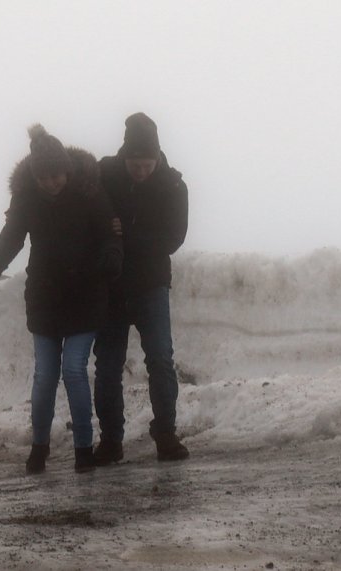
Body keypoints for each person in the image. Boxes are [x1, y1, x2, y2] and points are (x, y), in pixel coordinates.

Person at [0, 124, 122, 474]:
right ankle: (39, 447)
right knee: (44, 375)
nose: (52, 182)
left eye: (57, 175)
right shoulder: (27, 199)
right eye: (44, 177)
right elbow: (11, 239)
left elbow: (109, 232)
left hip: (85, 296)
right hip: (45, 298)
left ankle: (83, 448)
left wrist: (112, 255)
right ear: (35, 177)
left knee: (74, 370)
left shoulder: (88, 192)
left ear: (67, 171)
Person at [93, 112, 190, 464]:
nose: (141, 171)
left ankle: (165, 435)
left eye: (147, 164)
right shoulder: (104, 176)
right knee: (107, 365)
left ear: (157, 157)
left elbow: (172, 239)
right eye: (135, 164)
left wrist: (124, 235)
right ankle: (110, 442)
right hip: (112, 287)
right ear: (124, 157)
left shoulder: (174, 186)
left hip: (151, 285)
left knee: (161, 360)